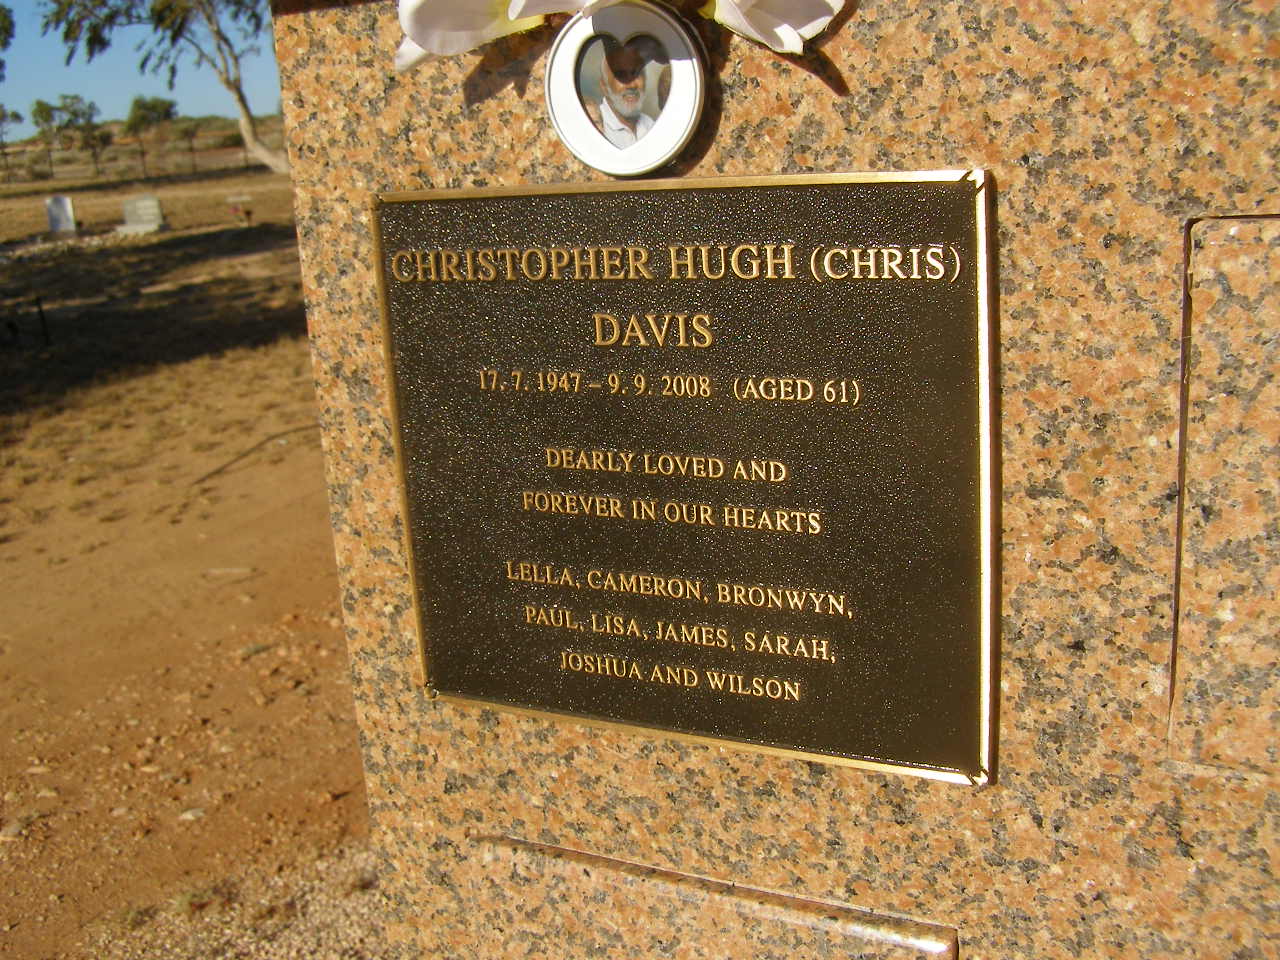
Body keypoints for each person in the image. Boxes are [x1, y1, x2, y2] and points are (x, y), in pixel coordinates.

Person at [583, 37, 663, 149]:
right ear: (604, 86)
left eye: (636, 73)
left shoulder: (650, 125)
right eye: (621, 76)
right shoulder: (593, 125)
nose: (632, 85)